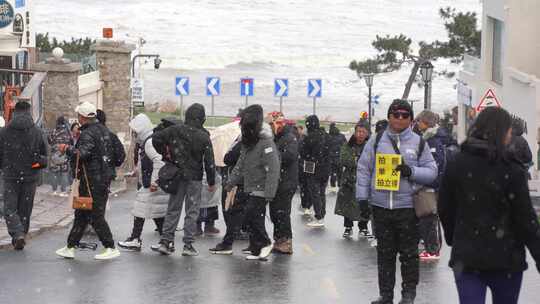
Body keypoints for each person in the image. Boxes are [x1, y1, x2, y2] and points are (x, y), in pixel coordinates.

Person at [438, 107, 540, 304]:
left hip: (467, 257)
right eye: (509, 130)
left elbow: (445, 206)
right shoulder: (512, 169)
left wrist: (454, 237)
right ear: (502, 132)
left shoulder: (457, 163)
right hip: (506, 258)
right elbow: (525, 218)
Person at [356, 99, 437, 304]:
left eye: (404, 115)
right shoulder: (376, 140)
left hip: (408, 207)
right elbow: (364, 170)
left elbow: (432, 172)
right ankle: (386, 295)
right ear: (389, 117)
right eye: (396, 115)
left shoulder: (419, 143)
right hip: (381, 207)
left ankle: (408, 295)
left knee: (409, 254)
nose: (400, 119)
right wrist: (362, 198)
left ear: (411, 119)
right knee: (385, 254)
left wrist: (412, 172)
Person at [55, 102, 120, 260]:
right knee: (81, 214)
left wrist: (66, 149)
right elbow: (117, 155)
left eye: (79, 116)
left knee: (94, 216)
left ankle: (110, 246)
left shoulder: (88, 133)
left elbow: (81, 154)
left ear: (83, 117)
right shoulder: (104, 130)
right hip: (101, 178)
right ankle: (70, 247)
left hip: (92, 180)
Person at [152, 103, 216, 256]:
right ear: (202, 118)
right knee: (192, 211)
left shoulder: (175, 130)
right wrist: (212, 181)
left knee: (173, 208)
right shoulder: (204, 136)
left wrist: (166, 154)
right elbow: (209, 161)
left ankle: (166, 241)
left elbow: (156, 138)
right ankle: (188, 245)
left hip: (177, 175)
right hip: (195, 177)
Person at [225, 104, 280, 260]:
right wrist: (231, 182)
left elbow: (274, 169)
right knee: (250, 217)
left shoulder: (266, 143)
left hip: (261, 188)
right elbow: (240, 165)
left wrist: (269, 192)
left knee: (251, 215)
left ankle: (265, 242)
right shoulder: (248, 143)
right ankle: (257, 248)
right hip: (250, 186)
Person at [0, 101, 47, 250]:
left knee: (9, 208)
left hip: (10, 176)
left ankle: (17, 233)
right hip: (30, 177)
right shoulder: (37, 132)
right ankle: (21, 234)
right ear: (29, 111)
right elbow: (45, 157)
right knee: (25, 209)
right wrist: (34, 165)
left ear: (15, 112)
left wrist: (5, 167)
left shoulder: (4, 132)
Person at [117, 113, 168, 251]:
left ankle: (135, 239)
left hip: (150, 184)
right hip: (152, 183)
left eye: (135, 131)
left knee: (140, 211)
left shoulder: (149, 142)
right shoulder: (149, 141)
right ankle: (166, 242)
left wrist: (154, 181)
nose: (134, 134)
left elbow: (158, 162)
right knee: (158, 214)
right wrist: (137, 172)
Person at [413, 110, 450, 261]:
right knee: (428, 217)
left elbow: (436, 165)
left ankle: (433, 249)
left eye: (419, 121)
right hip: (429, 185)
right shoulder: (428, 138)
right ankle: (431, 247)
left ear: (426, 123)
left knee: (429, 217)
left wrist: (428, 181)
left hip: (430, 186)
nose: (417, 123)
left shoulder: (432, 141)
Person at [267, 112, 298, 254]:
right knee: (275, 211)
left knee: (282, 212)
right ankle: (279, 240)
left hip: (286, 182)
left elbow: (290, 156)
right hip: (278, 181)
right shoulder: (277, 137)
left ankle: (285, 241)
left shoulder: (289, 137)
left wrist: (273, 155)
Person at [335, 120, 371, 238]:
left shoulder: (370, 146)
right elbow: (344, 159)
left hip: (365, 180)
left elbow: (371, 161)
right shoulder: (348, 145)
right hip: (349, 180)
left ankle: (363, 226)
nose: (360, 134)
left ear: (367, 133)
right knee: (347, 204)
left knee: (364, 203)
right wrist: (358, 161)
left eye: (363, 132)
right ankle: (348, 227)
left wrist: (357, 161)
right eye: (358, 131)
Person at [300, 115, 330, 228]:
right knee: (322, 193)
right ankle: (322, 214)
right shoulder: (326, 136)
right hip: (325, 168)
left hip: (312, 167)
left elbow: (303, 153)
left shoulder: (309, 137)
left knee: (314, 192)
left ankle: (318, 216)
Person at [96, 109, 126, 181]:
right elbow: (121, 154)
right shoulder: (111, 135)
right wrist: (113, 164)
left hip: (95, 174)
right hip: (108, 172)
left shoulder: (91, 135)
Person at [48, 116, 73, 197]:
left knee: (54, 172)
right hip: (64, 154)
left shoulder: (54, 131)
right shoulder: (68, 132)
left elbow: (49, 140)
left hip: (55, 154)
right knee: (64, 173)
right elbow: (71, 142)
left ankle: (54, 190)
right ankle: (63, 191)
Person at [328, 122, 347, 192]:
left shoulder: (328, 136)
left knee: (333, 172)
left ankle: (333, 185)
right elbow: (346, 146)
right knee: (340, 172)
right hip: (339, 157)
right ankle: (340, 184)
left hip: (331, 158)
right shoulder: (341, 136)